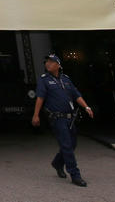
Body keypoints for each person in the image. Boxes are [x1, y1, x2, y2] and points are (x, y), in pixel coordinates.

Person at [31, 53, 94, 187]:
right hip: (57, 118)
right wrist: (35, 115)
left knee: (72, 144)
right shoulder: (44, 80)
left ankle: (57, 163)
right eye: (47, 62)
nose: (48, 64)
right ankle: (75, 175)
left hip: (70, 118)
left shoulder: (66, 79)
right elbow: (40, 98)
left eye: (51, 62)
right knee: (66, 145)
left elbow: (76, 95)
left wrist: (86, 106)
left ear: (58, 65)